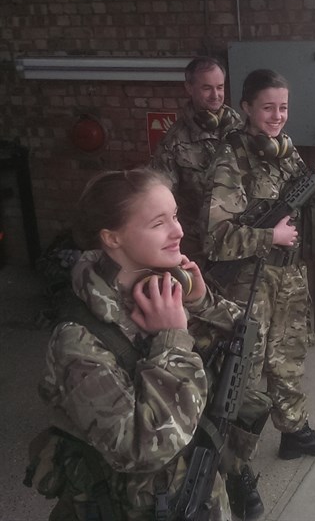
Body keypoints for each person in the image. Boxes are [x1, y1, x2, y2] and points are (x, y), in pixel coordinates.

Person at [37, 168, 269, 520]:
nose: (178, 231)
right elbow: (141, 447)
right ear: (112, 238)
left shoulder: (164, 287)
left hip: (198, 486)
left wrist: (203, 303)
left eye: (174, 216)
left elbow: (253, 347)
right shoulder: (79, 339)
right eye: (158, 223)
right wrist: (174, 341)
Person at [203, 68, 315, 461]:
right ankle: (234, 464)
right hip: (250, 285)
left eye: (283, 107)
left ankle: (294, 430)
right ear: (246, 107)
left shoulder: (285, 150)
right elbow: (216, 238)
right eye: (268, 108)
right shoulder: (231, 160)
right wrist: (269, 237)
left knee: (288, 356)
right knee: (243, 377)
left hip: (289, 276)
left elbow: (303, 207)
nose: (277, 115)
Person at [152, 56, 243, 268]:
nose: (216, 95)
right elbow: (161, 198)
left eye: (220, 87)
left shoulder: (242, 130)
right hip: (199, 250)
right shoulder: (174, 142)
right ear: (189, 88)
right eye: (207, 88)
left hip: (241, 240)